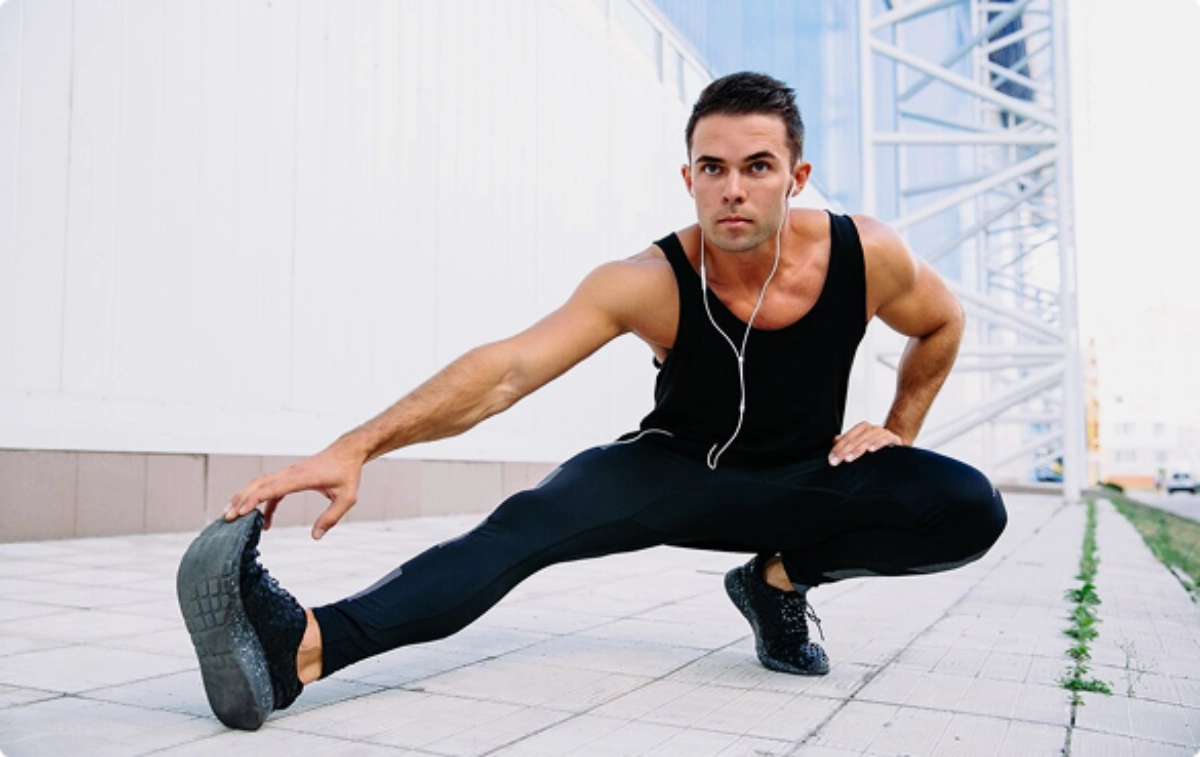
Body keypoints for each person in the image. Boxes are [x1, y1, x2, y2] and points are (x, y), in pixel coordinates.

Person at [176, 72, 1007, 731]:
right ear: (688, 177)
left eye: (758, 167)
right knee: (520, 526)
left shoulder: (869, 255)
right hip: (672, 470)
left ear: (798, 175)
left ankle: (775, 584)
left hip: (804, 479)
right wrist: (357, 446)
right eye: (712, 169)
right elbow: (506, 370)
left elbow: (942, 322)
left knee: (968, 505)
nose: (733, 191)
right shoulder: (646, 281)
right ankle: (298, 649)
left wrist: (897, 430)